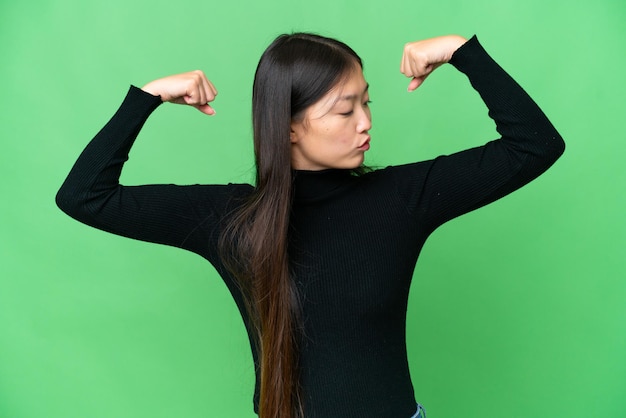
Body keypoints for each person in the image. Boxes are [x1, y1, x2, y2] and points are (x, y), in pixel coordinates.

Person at [56, 32, 565, 418]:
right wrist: (146, 98)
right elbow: (84, 197)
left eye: (367, 102)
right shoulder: (229, 218)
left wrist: (462, 51)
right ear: (290, 125)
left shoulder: (403, 198)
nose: (365, 121)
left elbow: (536, 145)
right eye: (346, 109)